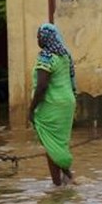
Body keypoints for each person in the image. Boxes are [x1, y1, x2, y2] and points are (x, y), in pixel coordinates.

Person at [28, 23, 77, 186]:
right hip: (67, 104)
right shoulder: (64, 55)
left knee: (50, 145)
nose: (37, 39)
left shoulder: (46, 57)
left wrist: (31, 109)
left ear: (46, 38)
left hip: (52, 105)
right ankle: (67, 176)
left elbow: (42, 86)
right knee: (59, 143)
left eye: (39, 36)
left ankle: (57, 186)